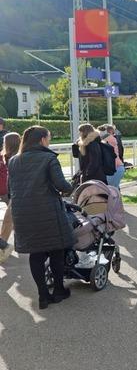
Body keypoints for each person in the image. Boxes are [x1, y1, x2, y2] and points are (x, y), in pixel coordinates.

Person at [9, 126, 73, 309]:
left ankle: (43, 295)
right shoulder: (48, 158)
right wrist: (70, 187)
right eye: (49, 138)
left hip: (23, 213)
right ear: (42, 140)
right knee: (56, 251)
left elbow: (12, 187)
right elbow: (61, 184)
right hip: (47, 212)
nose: (49, 141)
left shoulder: (14, 160)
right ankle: (59, 291)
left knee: (35, 253)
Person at [0, 132, 20, 264]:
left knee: (9, 219)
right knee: (12, 219)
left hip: (8, 191)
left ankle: (4, 245)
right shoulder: (15, 157)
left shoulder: (6, 157)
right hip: (10, 191)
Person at [99, 124, 125, 189]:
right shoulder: (115, 139)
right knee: (115, 191)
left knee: (111, 192)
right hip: (118, 167)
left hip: (113, 169)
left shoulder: (107, 140)